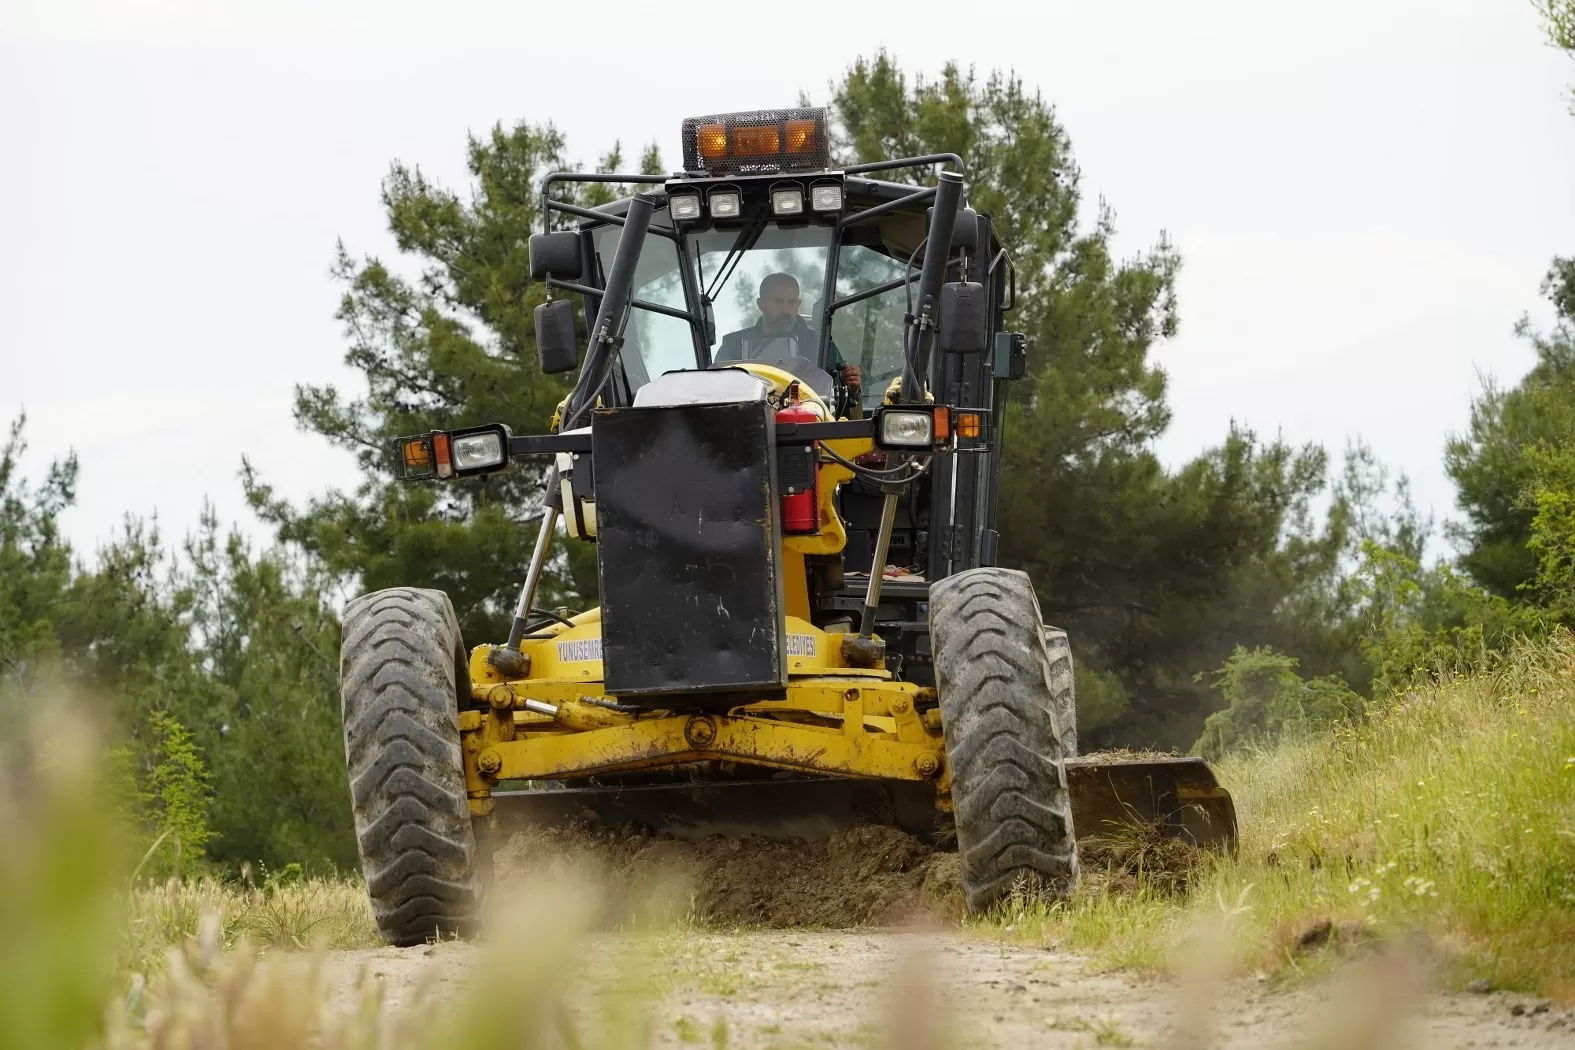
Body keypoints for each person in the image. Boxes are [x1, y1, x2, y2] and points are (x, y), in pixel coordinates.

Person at [715, 272, 862, 389]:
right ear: (761, 304)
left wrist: (851, 383)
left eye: (791, 302)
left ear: (798, 304)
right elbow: (717, 391)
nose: (785, 310)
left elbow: (841, 396)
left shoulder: (821, 346)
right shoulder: (733, 348)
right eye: (778, 302)